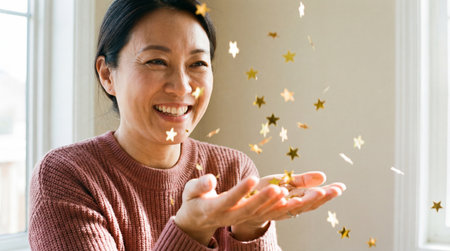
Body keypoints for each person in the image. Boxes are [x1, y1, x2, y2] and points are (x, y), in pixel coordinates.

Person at [28, 0, 346, 250]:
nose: (182, 87)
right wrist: (190, 230)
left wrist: (249, 231)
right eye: (156, 61)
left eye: (197, 64)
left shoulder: (235, 172)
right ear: (108, 74)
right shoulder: (65, 177)